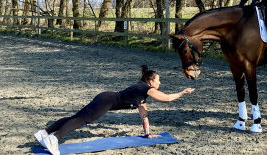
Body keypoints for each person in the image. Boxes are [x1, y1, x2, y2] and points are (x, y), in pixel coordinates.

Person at [34, 65, 195, 155]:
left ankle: (44, 133)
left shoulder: (142, 95)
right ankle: (54, 139)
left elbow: (144, 115)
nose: (160, 83)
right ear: (150, 81)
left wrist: (147, 134)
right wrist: (182, 92)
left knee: (77, 117)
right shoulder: (146, 88)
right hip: (107, 100)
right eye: (158, 81)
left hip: (105, 98)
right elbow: (166, 98)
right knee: (82, 120)